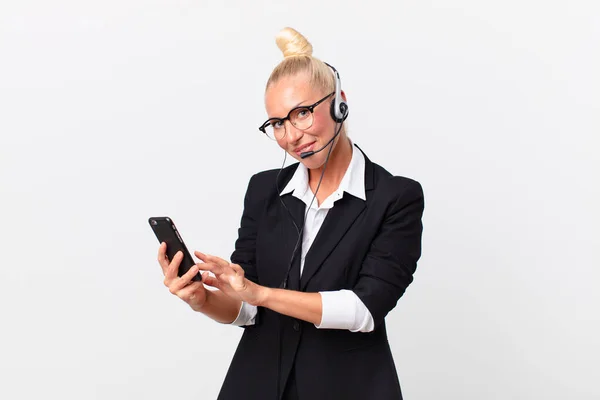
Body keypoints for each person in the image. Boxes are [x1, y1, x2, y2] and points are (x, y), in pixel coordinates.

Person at [156, 27, 425, 400]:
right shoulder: (264, 190)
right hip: (257, 384)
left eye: (302, 113)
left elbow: (363, 309)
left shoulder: (395, 197)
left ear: (339, 103)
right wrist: (203, 300)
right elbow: (247, 307)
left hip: (348, 387)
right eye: (278, 123)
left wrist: (260, 293)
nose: (291, 136)